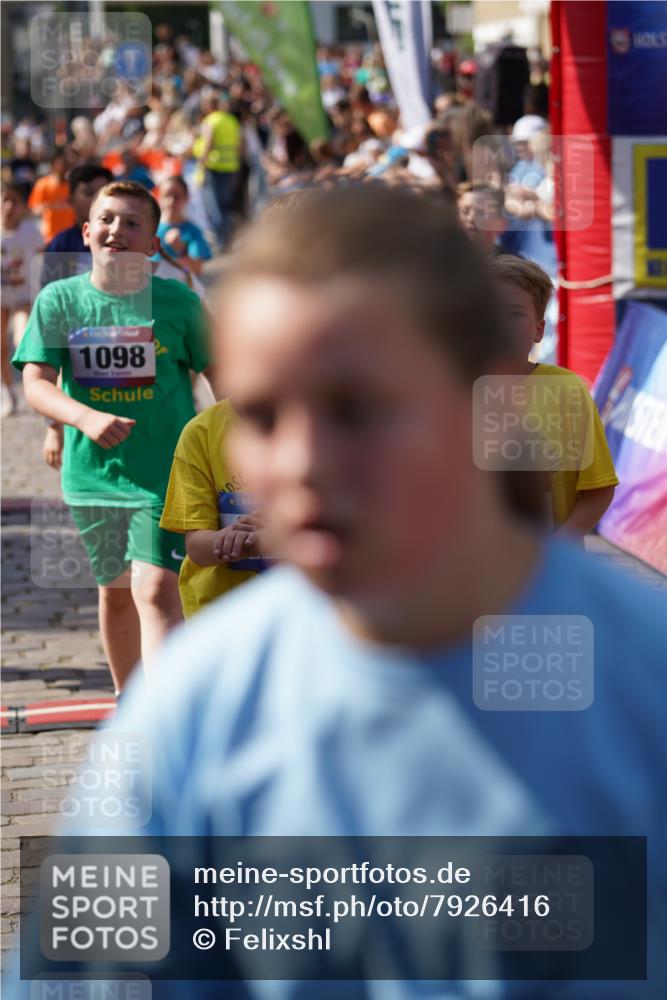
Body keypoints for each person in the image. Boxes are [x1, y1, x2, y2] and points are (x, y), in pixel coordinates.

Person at [39, 187, 665, 997]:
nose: (301, 461)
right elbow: (85, 974)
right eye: (263, 412)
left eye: (356, 406)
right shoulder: (193, 703)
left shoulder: (638, 677)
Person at [13, 181, 214, 695]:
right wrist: (81, 418)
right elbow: (35, 383)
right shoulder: (59, 300)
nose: (116, 231)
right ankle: (130, 700)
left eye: (131, 223)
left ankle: (163, 719)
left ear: (152, 243)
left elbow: (228, 380)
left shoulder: (179, 304)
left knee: (155, 586)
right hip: (93, 477)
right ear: (86, 231)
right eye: (106, 220)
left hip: (167, 473)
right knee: (117, 592)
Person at [490, 254, 618, 535]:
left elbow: (599, 489)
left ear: (539, 330)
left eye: (513, 314)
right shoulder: (449, 391)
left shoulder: (566, 391)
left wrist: (558, 552)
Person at [159, 399, 270, 617]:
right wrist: (233, 542)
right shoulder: (200, 432)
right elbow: (198, 547)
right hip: (223, 613)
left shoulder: (331, 425)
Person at [0, 183, 43, 415]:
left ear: (21, 205)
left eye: (14, 201)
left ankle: (35, 390)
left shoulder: (31, 231)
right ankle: (8, 393)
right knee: (0, 348)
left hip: (23, 297)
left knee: (21, 341)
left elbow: (43, 258)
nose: (8, 206)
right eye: (5, 200)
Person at [41, 163, 113, 282]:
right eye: (89, 193)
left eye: (105, 193)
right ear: (71, 200)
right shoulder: (61, 245)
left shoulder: (125, 240)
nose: (98, 199)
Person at [197, 91, 243, 249]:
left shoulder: (211, 121)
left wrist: (201, 165)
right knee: (225, 206)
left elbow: (208, 143)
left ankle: (221, 242)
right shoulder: (232, 121)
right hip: (230, 167)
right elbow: (239, 146)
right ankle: (228, 239)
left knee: (214, 207)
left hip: (214, 168)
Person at [156, 175, 212, 278]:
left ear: (186, 198)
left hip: (181, 290)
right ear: (159, 197)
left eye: (177, 197)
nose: (171, 201)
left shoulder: (193, 232)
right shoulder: (149, 230)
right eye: (167, 195)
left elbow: (196, 271)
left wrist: (181, 251)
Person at [27, 151, 75, 244]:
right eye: (61, 163)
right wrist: (52, 206)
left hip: (70, 236)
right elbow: (34, 209)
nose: (64, 167)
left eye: (66, 163)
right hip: (50, 236)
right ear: (53, 164)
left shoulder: (73, 185)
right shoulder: (43, 184)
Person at [457, 181, 507, 250]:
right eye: (464, 211)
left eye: (481, 212)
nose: (471, 218)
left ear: (500, 224)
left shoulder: (511, 260)